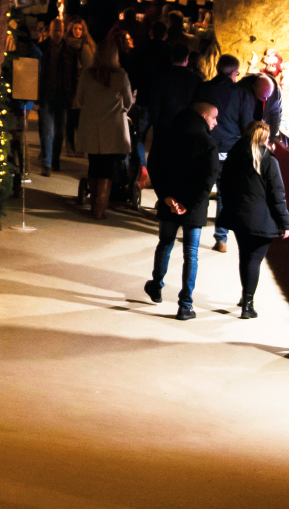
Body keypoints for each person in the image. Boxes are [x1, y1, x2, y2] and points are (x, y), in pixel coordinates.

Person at [145, 102, 221, 320]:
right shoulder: (207, 142)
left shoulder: (166, 134)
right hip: (194, 207)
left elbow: (155, 167)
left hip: (169, 201)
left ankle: (156, 285)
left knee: (165, 244)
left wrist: (166, 197)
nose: (216, 123)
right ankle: (185, 305)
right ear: (204, 116)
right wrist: (190, 203)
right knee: (191, 253)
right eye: (214, 117)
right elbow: (209, 177)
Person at [215, 120, 289, 319]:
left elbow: (224, 184)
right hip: (261, 218)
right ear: (266, 138)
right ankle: (248, 304)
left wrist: (231, 206)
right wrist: (285, 222)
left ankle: (245, 296)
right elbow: (277, 194)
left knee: (245, 256)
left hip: (239, 215)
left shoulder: (235, 154)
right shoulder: (269, 160)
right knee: (254, 259)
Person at [193, 54, 257, 253]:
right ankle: (221, 238)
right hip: (230, 148)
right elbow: (246, 123)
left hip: (205, 145)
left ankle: (194, 230)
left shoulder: (203, 88)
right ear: (233, 72)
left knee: (201, 188)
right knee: (225, 193)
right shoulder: (241, 93)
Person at [73, 28, 135, 219]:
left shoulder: (87, 74)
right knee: (107, 167)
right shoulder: (120, 75)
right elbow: (128, 101)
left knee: (94, 164)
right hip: (112, 127)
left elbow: (79, 99)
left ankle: (94, 204)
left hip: (91, 124)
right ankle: (100, 208)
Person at [35, 17, 82, 174]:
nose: (58, 33)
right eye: (55, 30)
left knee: (59, 132)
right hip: (46, 94)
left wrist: (72, 93)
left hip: (62, 95)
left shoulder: (69, 51)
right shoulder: (41, 48)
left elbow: (75, 74)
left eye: (60, 30)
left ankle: (54, 159)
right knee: (47, 130)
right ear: (50, 31)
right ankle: (47, 163)